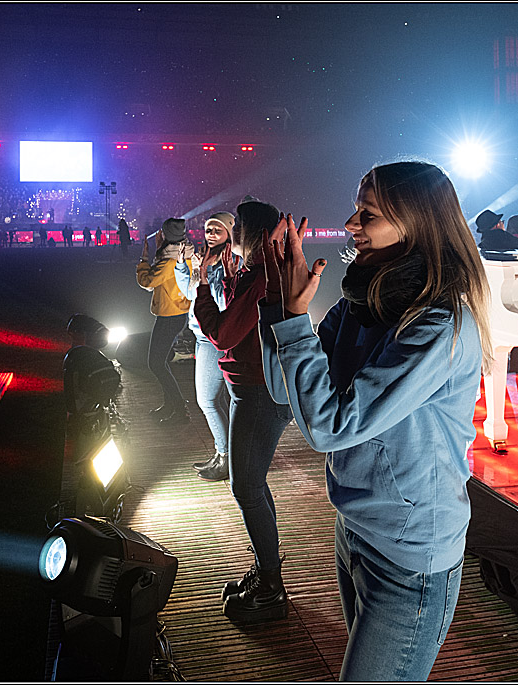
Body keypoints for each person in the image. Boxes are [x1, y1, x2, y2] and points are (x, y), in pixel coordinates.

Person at [258, 162, 491, 680]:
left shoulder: (436, 323)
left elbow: (329, 427)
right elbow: (283, 390)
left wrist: (296, 319)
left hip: (410, 556)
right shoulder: (363, 300)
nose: (349, 223)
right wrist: (274, 303)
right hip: (356, 527)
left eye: (369, 214)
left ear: (416, 225)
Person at [193, 198, 294, 623]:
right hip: (251, 391)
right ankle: (266, 570)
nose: (229, 236)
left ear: (250, 234)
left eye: (237, 230)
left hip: (258, 393)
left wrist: (202, 288)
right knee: (251, 483)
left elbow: (223, 334)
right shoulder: (255, 272)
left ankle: (271, 586)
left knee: (245, 487)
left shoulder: (262, 275)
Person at [175, 211, 236, 482]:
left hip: (214, 336)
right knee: (216, 400)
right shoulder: (205, 257)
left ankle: (225, 458)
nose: (211, 234)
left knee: (207, 400)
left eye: (217, 230)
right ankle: (223, 455)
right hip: (201, 336)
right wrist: (183, 266)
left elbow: (222, 301)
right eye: (208, 229)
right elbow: (190, 293)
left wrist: (205, 274)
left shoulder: (229, 261)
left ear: (229, 233)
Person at [136, 218, 192, 425]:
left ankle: (179, 408)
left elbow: (147, 281)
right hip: (177, 314)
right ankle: (172, 405)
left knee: (155, 363)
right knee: (161, 362)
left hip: (169, 315)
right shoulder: (182, 254)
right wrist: (161, 248)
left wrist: (143, 258)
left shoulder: (169, 261)